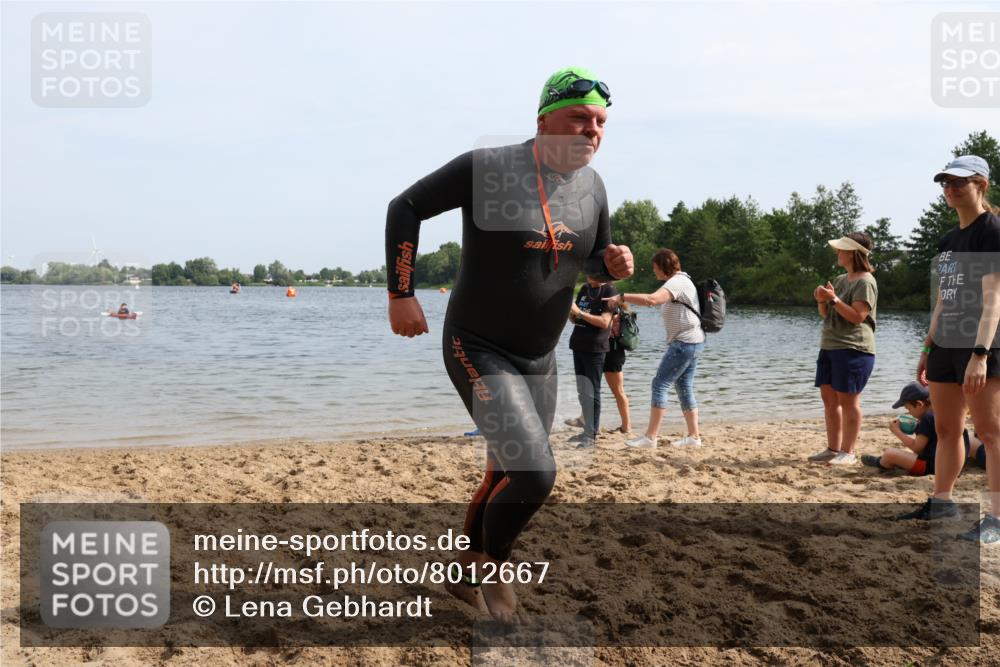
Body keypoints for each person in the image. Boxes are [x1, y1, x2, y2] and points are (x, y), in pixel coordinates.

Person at [385, 66, 633, 620]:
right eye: (579, 118)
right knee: (534, 473)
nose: (592, 130)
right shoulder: (491, 167)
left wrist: (610, 264)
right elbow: (405, 207)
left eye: (600, 122)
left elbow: (591, 262)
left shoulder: (593, 188)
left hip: (540, 354)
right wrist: (401, 293)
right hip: (478, 343)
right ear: (544, 121)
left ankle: (466, 573)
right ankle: (497, 581)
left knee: (507, 472)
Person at [898, 155, 1000, 543]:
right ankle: (943, 501)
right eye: (945, 183)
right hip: (945, 344)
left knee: (991, 433)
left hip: (981, 344)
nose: (950, 189)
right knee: (945, 428)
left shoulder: (991, 230)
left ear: (981, 185)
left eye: (959, 182)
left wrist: (981, 354)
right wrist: (928, 345)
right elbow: (943, 297)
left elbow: (994, 300)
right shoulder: (947, 239)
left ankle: (997, 519)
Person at [611, 249, 704, 449]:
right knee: (684, 386)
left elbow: (652, 300)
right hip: (693, 341)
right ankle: (694, 437)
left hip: (684, 343)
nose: (654, 272)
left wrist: (622, 296)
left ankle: (650, 437)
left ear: (663, 266)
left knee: (659, 384)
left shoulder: (676, 282)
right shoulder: (682, 281)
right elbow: (655, 302)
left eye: (655, 267)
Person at [807, 232, 877, 466]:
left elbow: (858, 317)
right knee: (829, 400)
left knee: (849, 401)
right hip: (830, 345)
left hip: (854, 348)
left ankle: (848, 451)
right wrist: (821, 300)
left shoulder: (866, 281)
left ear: (854, 253)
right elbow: (826, 314)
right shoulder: (839, 279)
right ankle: (832, 449)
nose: (837, 252)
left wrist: (834, 299)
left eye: (841, 249)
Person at [862, 381, 972, 475]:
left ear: (919, 404)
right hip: (957, 465)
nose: (908, 412)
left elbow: (917, 447)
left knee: (889, 454)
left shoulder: (927, 418)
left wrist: (897, 431)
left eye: (908, 409)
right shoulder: (941, 410)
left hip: (934, 468)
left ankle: (881, 462)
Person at [567, 275, 617, 446]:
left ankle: (591, 435)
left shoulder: (609, 291)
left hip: (595, 349)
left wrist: (579, 312)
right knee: (582, 391)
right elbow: (575, 319)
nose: (588, 277)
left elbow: (604, 322)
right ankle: (586, 431)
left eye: (592, 273)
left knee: (592, 392)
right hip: (578, 345)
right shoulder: (585, 289)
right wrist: (571, 312)